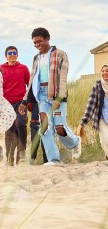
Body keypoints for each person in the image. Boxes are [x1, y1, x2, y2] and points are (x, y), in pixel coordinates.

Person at [18, 27, 81, 165]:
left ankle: (75, 142)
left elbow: (63, 77)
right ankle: (53, 159)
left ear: (47, 39)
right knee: (45, 128)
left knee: (60, 128)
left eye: (39, 41)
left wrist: (60, 97)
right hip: (41, 96)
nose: (37, 45)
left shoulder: (60, 54)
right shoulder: (36, 58)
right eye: (34, 43)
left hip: (56, 95)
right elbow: (32, 80)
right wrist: (24, 101)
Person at [0, 46, 30, 165]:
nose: (12, 55)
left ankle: (22, 152)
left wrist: (26, 101)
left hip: (20, 103)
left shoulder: (23, 68)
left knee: (21, 124)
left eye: (14, 53)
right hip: (6, 104)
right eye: (9, 53)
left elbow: (30, 85)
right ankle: (9, 158)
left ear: (17, 55)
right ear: (6, 56)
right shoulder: (0, 69)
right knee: (9, 131)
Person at [78, 64, 108, 159]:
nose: (105, 73)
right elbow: (90, 106)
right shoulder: (97, 87)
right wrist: (82, 123)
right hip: (102, 118)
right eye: (103, 71)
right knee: (105, 140)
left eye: (107, 70)